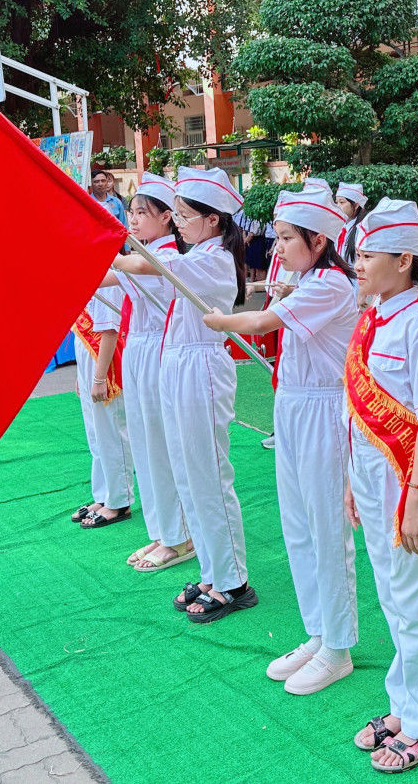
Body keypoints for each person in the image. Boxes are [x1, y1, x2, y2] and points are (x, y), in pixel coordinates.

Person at [203, 185, 359, 695]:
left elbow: (262, 320)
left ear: (318, 241)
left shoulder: (332, 283)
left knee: (326, 527)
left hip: (323, 410)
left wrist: (220, 319)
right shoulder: (307, 280)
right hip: (292, 406)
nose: (278, 248)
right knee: (298, 526)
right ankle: (319, 632)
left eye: (288, 239)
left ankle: (338, 647)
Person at [113, 166, 255, 623]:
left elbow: (141, 263)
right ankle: (213, 570)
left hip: (201, 367)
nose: (178, 221)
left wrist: (98, 241)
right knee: (188, 472)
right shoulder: (197, 251)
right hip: (177, 362)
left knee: (210, 475)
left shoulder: (210, 259)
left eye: (184, 214)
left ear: (213, 220)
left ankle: (233, 581)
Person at [345, 199, 418, 772]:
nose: (357, 263)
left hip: (414, 483)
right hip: (370, 477)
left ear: (404, 259)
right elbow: (358, 413)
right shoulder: (372, 315)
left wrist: (413, 500)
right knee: (392, 596)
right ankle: (403, 703)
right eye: (358, 253)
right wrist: (350, 478)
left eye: (367, 254)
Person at [101, 173, 195, 572]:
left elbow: (122, 265)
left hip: (160, 349)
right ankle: (161, 531)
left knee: (162, 445)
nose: (134, 219)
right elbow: (104, 277)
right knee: (143, 443)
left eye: (143, 213)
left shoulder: (167, 255)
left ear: (168, 218)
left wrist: (91, 235)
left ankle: (181, 537)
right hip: (137, 349)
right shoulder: (145, 254)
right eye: (132, 212)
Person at [70, 283, 134, 529]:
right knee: (96, 434)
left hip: (104, 363)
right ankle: (103, 495)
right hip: (90, 360)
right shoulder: (94, 274)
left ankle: (120, 501)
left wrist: (98, 377)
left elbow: (109, 331)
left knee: (111, 432)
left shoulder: (109, 279)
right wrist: (83, 375)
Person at [335, 182, 368, 265]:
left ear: (356, 205)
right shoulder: (340, 228)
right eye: (336, 202)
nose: (337, 206)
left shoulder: (362, 230)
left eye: (342, 202)